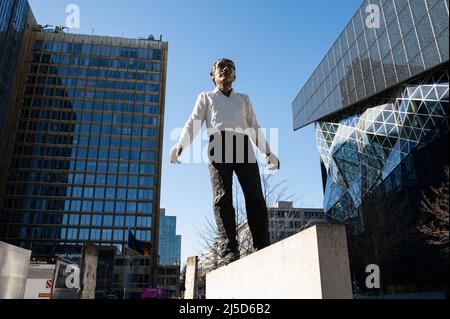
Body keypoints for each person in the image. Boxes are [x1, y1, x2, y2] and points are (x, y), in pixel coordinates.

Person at [170, 58, 280, 265]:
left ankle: (262, 244)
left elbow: (254, 127)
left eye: (230, 68)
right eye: (221, 67)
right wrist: (180, 146)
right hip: (218, 144)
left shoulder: (243, 99)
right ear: (212, 75)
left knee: (255, 195)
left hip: (243, 145)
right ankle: (229, 250)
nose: (226, 70)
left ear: (235, 76)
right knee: (223, 198)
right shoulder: (206, 97)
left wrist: (268, 152)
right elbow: (193, 122)